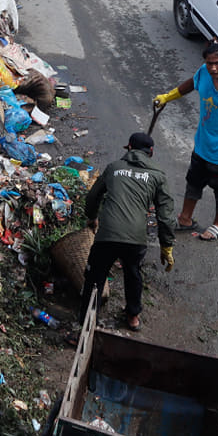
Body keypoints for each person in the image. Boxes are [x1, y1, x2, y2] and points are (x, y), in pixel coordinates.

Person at [79, 132, 176, 333]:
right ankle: (133, 317)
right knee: (133, 273)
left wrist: (92, 217)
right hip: (136, 237)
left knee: (95, 275)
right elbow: (165, 216)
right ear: (151, 152)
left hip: (107, 234)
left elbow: (93, 197)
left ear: (129, 148)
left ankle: (87, 321)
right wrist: (166, 245)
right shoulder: (158, 176)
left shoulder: (114, 168)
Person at [154, 41, 218, 242]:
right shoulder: (205, 73)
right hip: (202, 144)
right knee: (194, 181)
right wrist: (167, 97)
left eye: (217, 63)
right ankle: (185, 218)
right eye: (209, 63)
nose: (213, 68)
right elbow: (191, 83)